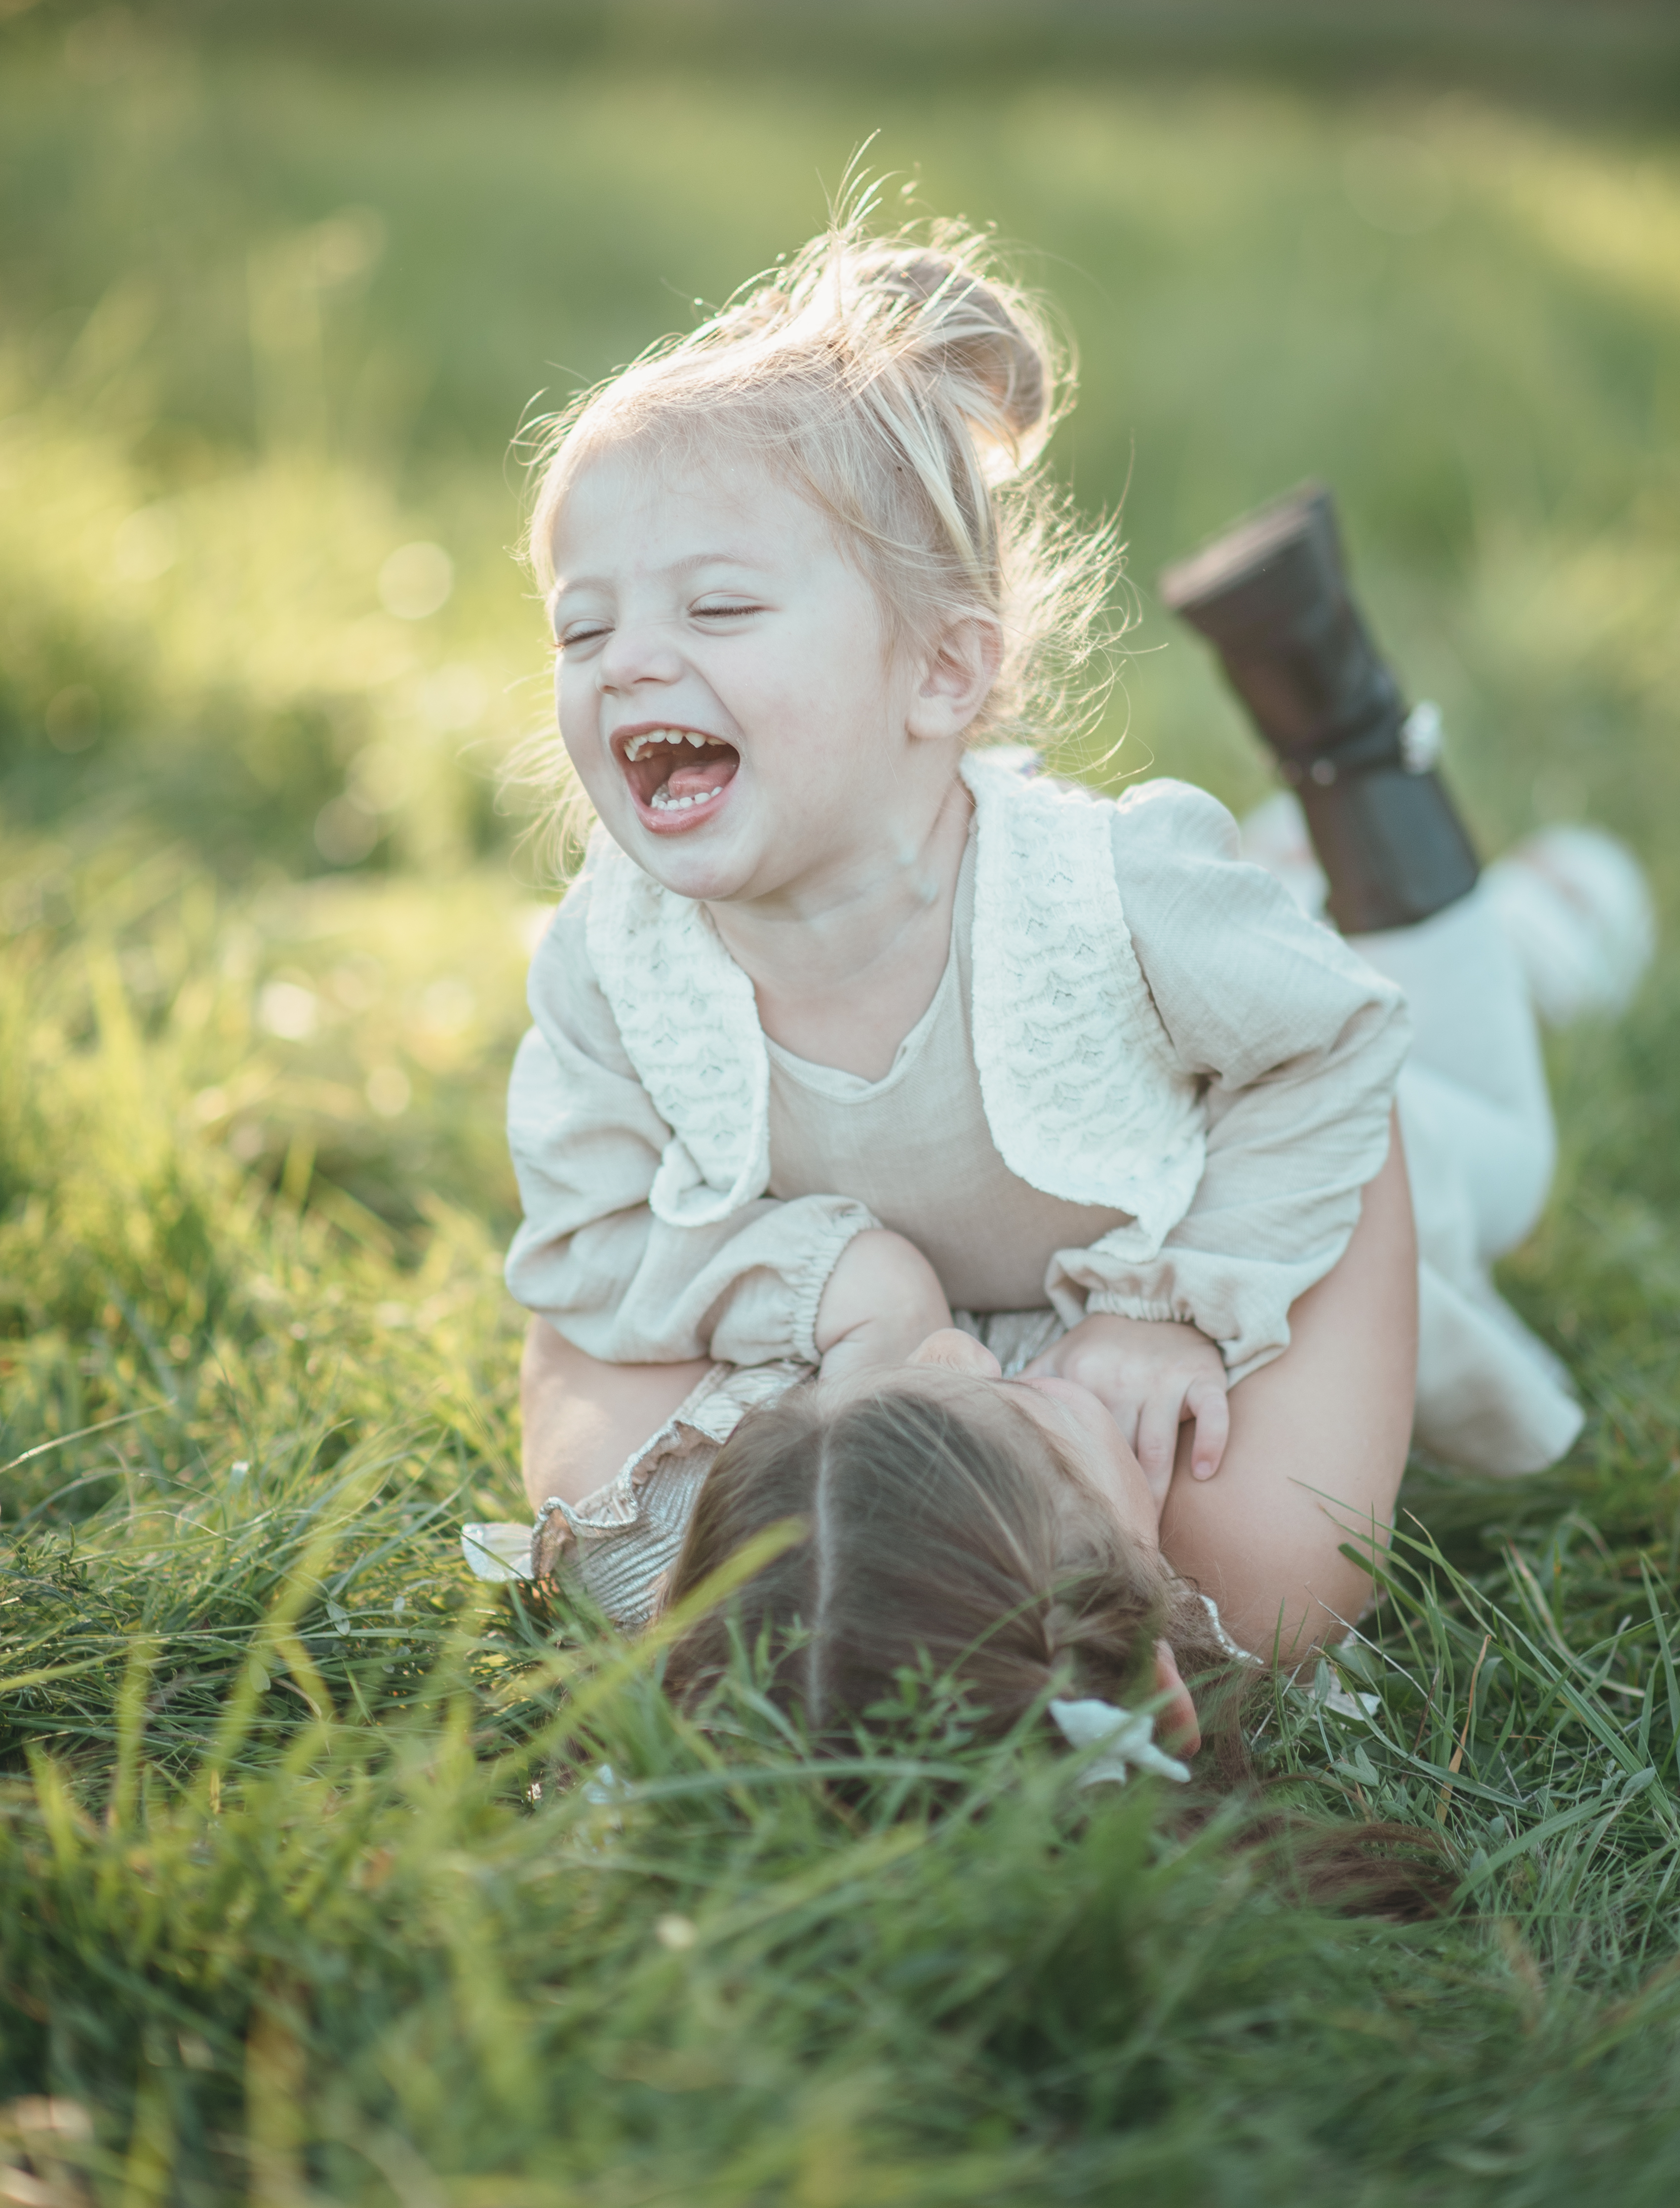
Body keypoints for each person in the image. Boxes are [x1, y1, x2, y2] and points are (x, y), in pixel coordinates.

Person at [469, 204, 1647, 1762]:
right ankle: (1310, 866)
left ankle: (1383, 781)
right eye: (582, 625)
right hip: (989, 1366)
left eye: (720, 608)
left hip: (1245, 1198)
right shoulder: (614, 963)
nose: (623, 660)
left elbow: (1332, 1056)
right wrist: (843, 1288)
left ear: (943, 673)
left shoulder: (1109, 895)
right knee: (1266, 940)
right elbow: (588, 1255)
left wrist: (1176, 1306)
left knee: (1483, 1146)